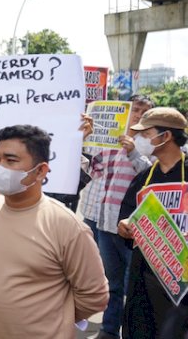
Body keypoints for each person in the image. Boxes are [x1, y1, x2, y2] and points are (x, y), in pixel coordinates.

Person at [0, 124, 109, 338]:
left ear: (41, 171)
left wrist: (54, 318)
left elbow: (95, 295)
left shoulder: (66, 226)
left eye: (11, 160)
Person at [117, 107, 188, 338]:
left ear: (166, 136)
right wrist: (124, 226)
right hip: (145, 280)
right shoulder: (143, 178)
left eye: (146, 134)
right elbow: (126, 214)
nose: (140, 139)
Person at [78, 94, 154, 339]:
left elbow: (153, 178)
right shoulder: (110, 141)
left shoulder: (152, 143)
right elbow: (94, 170)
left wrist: (133, 153)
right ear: (127, 111)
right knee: (111, 283)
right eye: (136, 109)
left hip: (135, 225)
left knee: (137, 284)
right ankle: (109, 330)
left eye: (145, 111)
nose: (139, 115)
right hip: (106, 221)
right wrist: (83, 142)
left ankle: (134, 330)